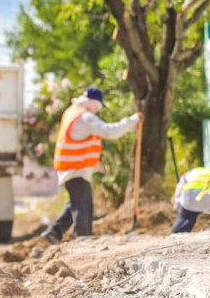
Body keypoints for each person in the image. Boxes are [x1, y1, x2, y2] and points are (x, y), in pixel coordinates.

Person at [41, 87, 142, 244]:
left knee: (77, 203)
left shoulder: (72, 113)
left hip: (70, 168)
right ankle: (82, 239)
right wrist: (133, 120)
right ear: (95, 104)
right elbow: (111, 132)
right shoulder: (85, 118)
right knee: (84, 207)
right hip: (76, 168)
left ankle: (55, 232)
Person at [170, 167, 210, 233]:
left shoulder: (192, 172)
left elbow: (179, 189)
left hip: (191, 196)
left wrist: (178, 207)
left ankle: (177, 234)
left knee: (186, 217)